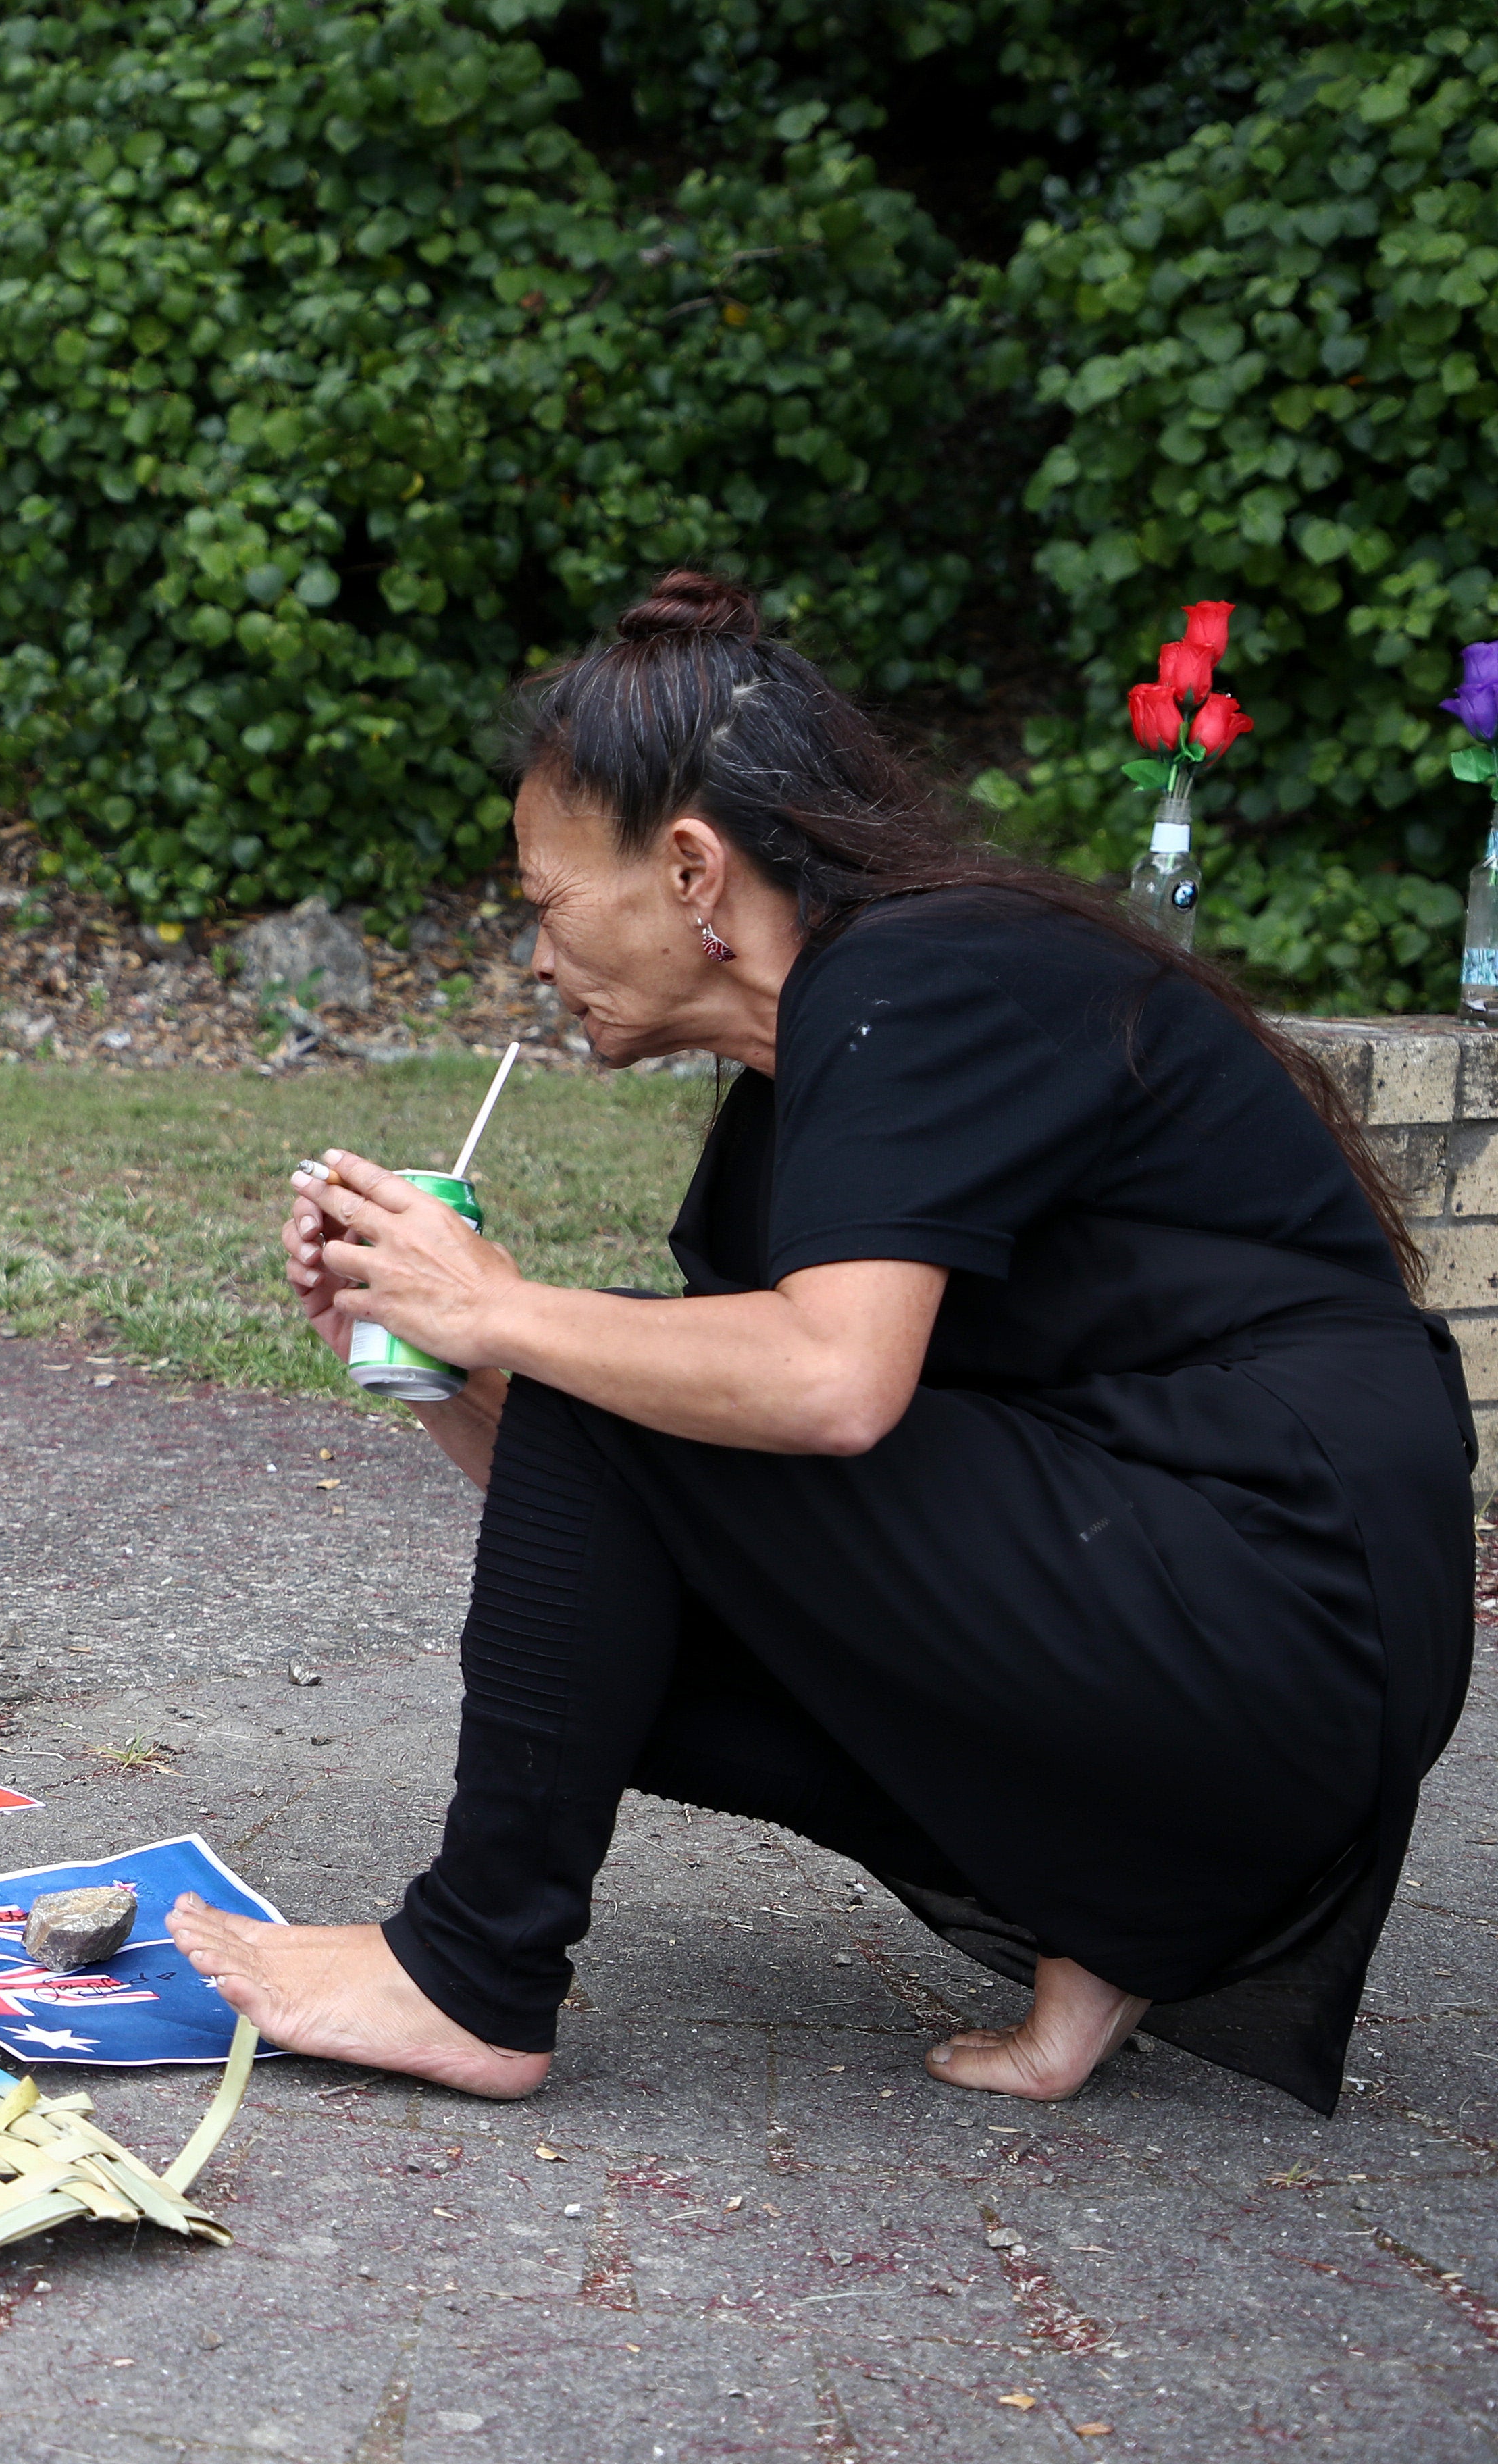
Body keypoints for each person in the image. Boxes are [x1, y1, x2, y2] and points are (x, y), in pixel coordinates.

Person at [168, 571, 1473, 2113]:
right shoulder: (815, 1085)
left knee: (629, 1372)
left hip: (1283, 1591)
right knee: (627, 1563)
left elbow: (834, 1390)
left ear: (692, 868)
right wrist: (443, 1363)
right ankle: (1104, 1922)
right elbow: (630, 1523)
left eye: (544, 901)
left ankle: (470, 1972)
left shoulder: (924, 975)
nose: (535, 958)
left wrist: (507, 1307)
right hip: (1212, 1630)